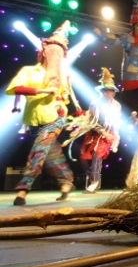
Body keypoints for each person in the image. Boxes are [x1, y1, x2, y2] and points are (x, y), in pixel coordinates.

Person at [6, 21, 82, 206]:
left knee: (39, 151)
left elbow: (68, 94)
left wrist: (77, 109)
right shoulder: (28, 71)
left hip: (55, 118)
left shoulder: (62, 76)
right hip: (34, 119)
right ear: (44, 51)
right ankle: (66, 181)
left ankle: (23, 189)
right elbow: (17, 88)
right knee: (51, 152)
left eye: (59, 52)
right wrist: (41, 92)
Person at [93, 0, 138, 114]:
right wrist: (101, 35)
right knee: (125, 114)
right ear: (134, 27)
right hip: (129, 88)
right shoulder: (128, 38)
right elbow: (115, 38)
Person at [77, 68, 122, 194]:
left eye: (110, 91)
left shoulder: (117, 106)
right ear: (101, 92)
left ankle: (94, 182)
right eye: (105, 91)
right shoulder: (95, 103)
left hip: (108, 134)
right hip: (94, 133)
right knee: (83, 157)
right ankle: (92, 174)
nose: (107, 93)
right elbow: (91, 121)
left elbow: (117, 122)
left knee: (98, 155)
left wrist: (116, 138)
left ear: (113, 93)